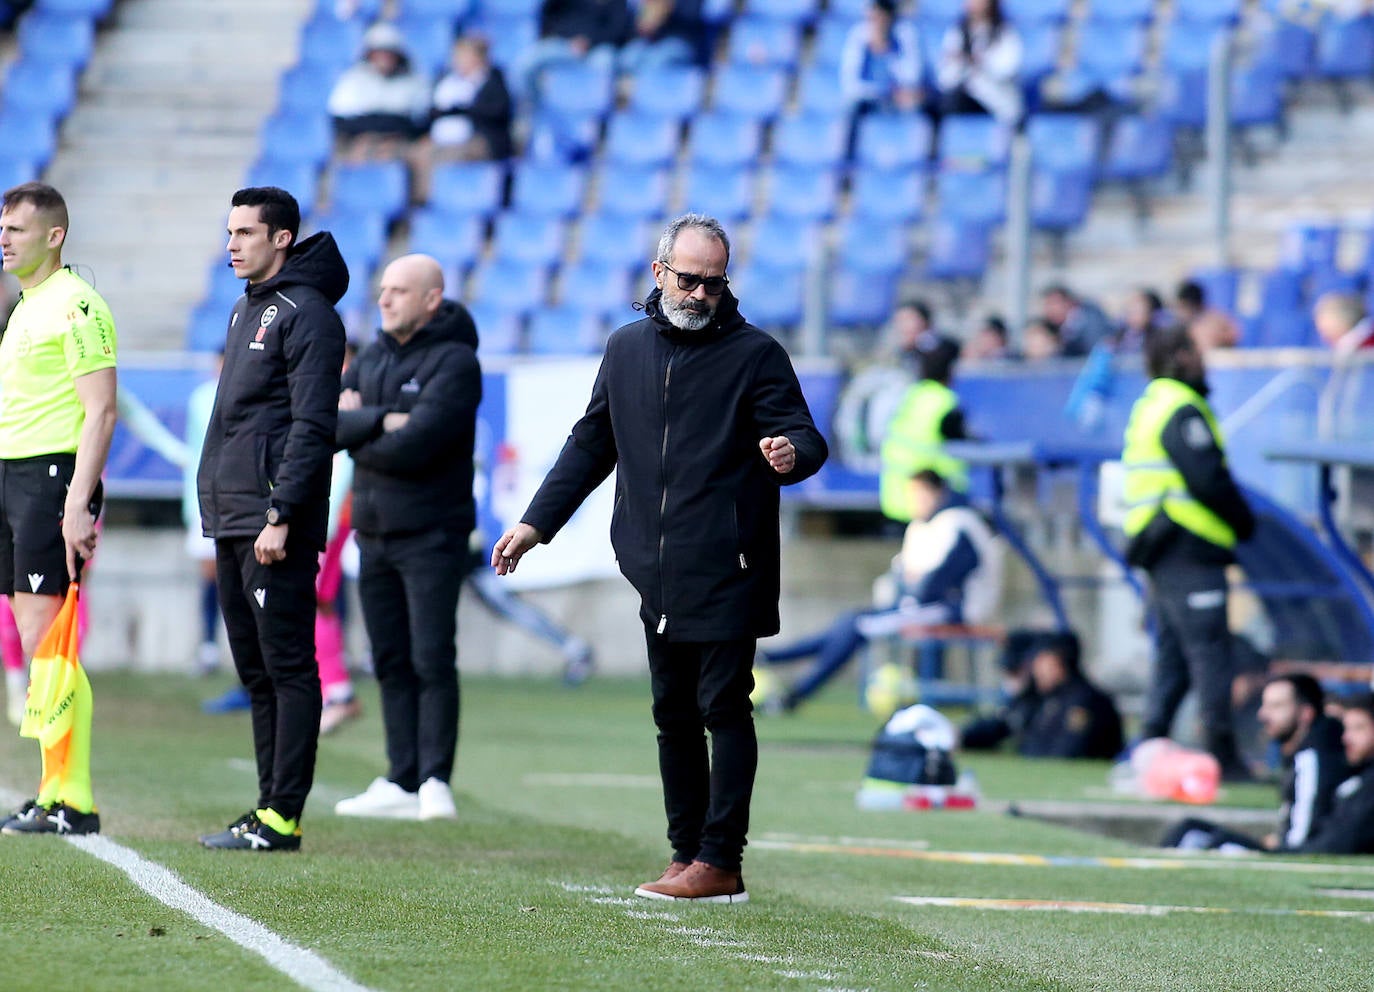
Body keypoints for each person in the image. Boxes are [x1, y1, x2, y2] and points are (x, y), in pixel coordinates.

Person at [491, 213, 827, 903]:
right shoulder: (624, 349)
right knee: (671, 713)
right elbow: (591, 445)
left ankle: (721, 860)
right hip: (654, 568)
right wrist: (535, 524)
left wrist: (790, 456)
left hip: (729, 564)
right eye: (689, 279)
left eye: (714, 282)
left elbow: (802, 433)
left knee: (723, 708)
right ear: (658, 272)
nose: (701, 294)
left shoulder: (756, 354)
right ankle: (685, 855)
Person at [196, 187, 347, 852]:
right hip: (233, 517)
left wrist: (282, 511)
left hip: (271, 521)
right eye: (229, 232)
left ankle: (284, 814)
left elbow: (314, 425)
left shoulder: (307, 314)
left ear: (281, 238)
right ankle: (266, 809)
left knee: (288, 667)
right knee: (255, 671)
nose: (232, 244)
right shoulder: (244, 309)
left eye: (246, 233)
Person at [332, 254, 480, 822]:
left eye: (399, 290)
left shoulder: (456, 362)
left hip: (433, 533)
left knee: (431, 655)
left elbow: (420, 443)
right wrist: (385, 419)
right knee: (389, 657)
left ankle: (436, 779)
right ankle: (401, 776)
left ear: (431, 299)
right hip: (374, 533)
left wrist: (362, 422)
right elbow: (325, 424)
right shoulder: (370, 356)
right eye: (384, 289)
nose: (385, 299)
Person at [0, 182, 116, 837]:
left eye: (17, 228)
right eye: (2, 228)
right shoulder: (25, 306)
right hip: (13, 476)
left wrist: (77, 502)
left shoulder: (78, 305)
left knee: (52, 641)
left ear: (54, 235)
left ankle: (72, 799)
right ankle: (51, 790)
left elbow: (101, 410)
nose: (4, 238)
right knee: (32, 637)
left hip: (51, 478)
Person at [1122, 324, 1256, 780]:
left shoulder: (1151, 403)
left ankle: (1149, 746)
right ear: (1180, 356)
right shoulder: (1181, 407)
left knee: (1176, 654)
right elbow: (1207, 480)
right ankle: (1222, 755)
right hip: (1186, 545)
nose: (1204, 361)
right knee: (1210, 652)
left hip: (1160, 544)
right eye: (1196, 351)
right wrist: (1244, 522)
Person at [755, 469, 1001, 713]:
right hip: (919, 605)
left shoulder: (959, 523)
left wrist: (912, 587)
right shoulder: (921, 526)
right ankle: (774, 663)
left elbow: (938, 582)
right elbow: (901, 575)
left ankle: (791, 688)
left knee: (857, 625)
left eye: (920, 495)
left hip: (952, 609)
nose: (915, 502)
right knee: (850, 621)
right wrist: (908, 587)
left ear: (938, 493)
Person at [1161, 673, 1348, 851]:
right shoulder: (1301, 753)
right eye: (1265, 705)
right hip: (1282, 845)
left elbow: (1300, 839)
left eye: (1276, 706)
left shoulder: (1312, 758)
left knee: (1207, 839)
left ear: (1306, 713)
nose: (1262, 715)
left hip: (1289, 853)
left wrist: (1277, 846)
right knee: (1190, 828)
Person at [878, 332, 970, 522]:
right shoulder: (945, 403)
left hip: (895, 497)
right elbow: (965, 444)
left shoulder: (911, 395)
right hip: (932, 502)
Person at [327, 21, 432, 162]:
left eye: (389, 53)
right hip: (361, 140)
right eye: (379, 53)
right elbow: (341, 119)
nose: (384, 58)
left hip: (399, 141)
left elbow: (419, 121)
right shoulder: (353, 80)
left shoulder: (413, 81)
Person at [839, 0, 923, 155]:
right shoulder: (858, 36)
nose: (878, 22)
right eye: (874, 17)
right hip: (872, 100)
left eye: (883, 17)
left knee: (916, 106)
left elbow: (912, 77)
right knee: (852, 111)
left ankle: (909, 157)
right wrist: (885, 91)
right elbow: (851, 86)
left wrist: (888, 50)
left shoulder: (906, 35)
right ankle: (848, 165)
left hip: (899, 101)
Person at [512, 0, 631, 104]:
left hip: (597, 49)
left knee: (605, 61)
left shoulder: (617, 2)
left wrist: (590, 42)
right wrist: (568, 38)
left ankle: (599, 122)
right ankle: (533, 106)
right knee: (526, 64)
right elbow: (550, 14)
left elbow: (617, 29)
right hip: (563, 43)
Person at [425, 34, 514, 165]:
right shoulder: (447, 82)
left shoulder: (493, 82)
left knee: (443, 157)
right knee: (419, 154)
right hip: (445, 139)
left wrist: (462, 111)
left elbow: (497, 113)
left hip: (481, 140)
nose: (457, 61)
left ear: (478, 58)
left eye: (463, 56)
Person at [935, 0, 1023, 126]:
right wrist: (960, 62)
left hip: (995, 100)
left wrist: (980, 61)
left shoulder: (1005, 32)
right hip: (964, 100)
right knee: (946, 105)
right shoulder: (957, 32)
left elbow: (1008, 69)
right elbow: (944, 79)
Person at [617, 0, 703, 74]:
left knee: (656, 61)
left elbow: (691, 16)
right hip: (649, 41)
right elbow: (641, 21)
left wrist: (664, 11)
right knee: (628, 57)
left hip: (679, 41)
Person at [1039, 284, 1113, 358]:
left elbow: (1097, 351)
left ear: (1068, 302)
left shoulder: (1091, 322)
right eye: (1047, 305)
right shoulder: (1053, 326)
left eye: (1052, 304)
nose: (1049, 310)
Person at [1175, 279, 1240, 352]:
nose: (1179, 313)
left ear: (1191, 305)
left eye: (1182, 307)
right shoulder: (1181, 325)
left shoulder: (1217, 320)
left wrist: (1219, 340)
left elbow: (1235, 336)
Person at [1115, 287, 1166, 355]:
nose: (1135, 316)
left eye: (1139, 311)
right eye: (1131, 311)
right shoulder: (1115, 341)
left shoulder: (1160, 339)